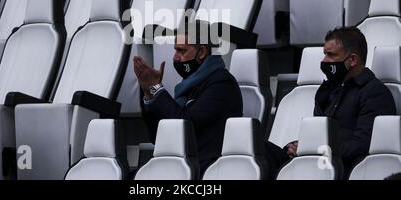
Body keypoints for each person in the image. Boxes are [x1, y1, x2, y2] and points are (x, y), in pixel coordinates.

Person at [268, 27, 396, 178]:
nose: (324, 61)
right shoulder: (328, 90)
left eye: (331, 55)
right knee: (263, 150)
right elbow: (317, 134)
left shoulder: (375, 93)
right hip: (315, 163)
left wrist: (316, 149)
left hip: (340, 169)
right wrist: (300, 146)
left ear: (353, 59)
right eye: (324, 54)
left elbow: (362, 146)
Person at [133, 20, 243, 175]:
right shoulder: (190, 86)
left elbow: (185, 126)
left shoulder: (221, 83)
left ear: (202, 52)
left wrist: (157, 89)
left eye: (182, 51)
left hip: (206, 170)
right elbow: (158, 137)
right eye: (175, 50)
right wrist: (149, 91)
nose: (176, 58)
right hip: (181, 165)